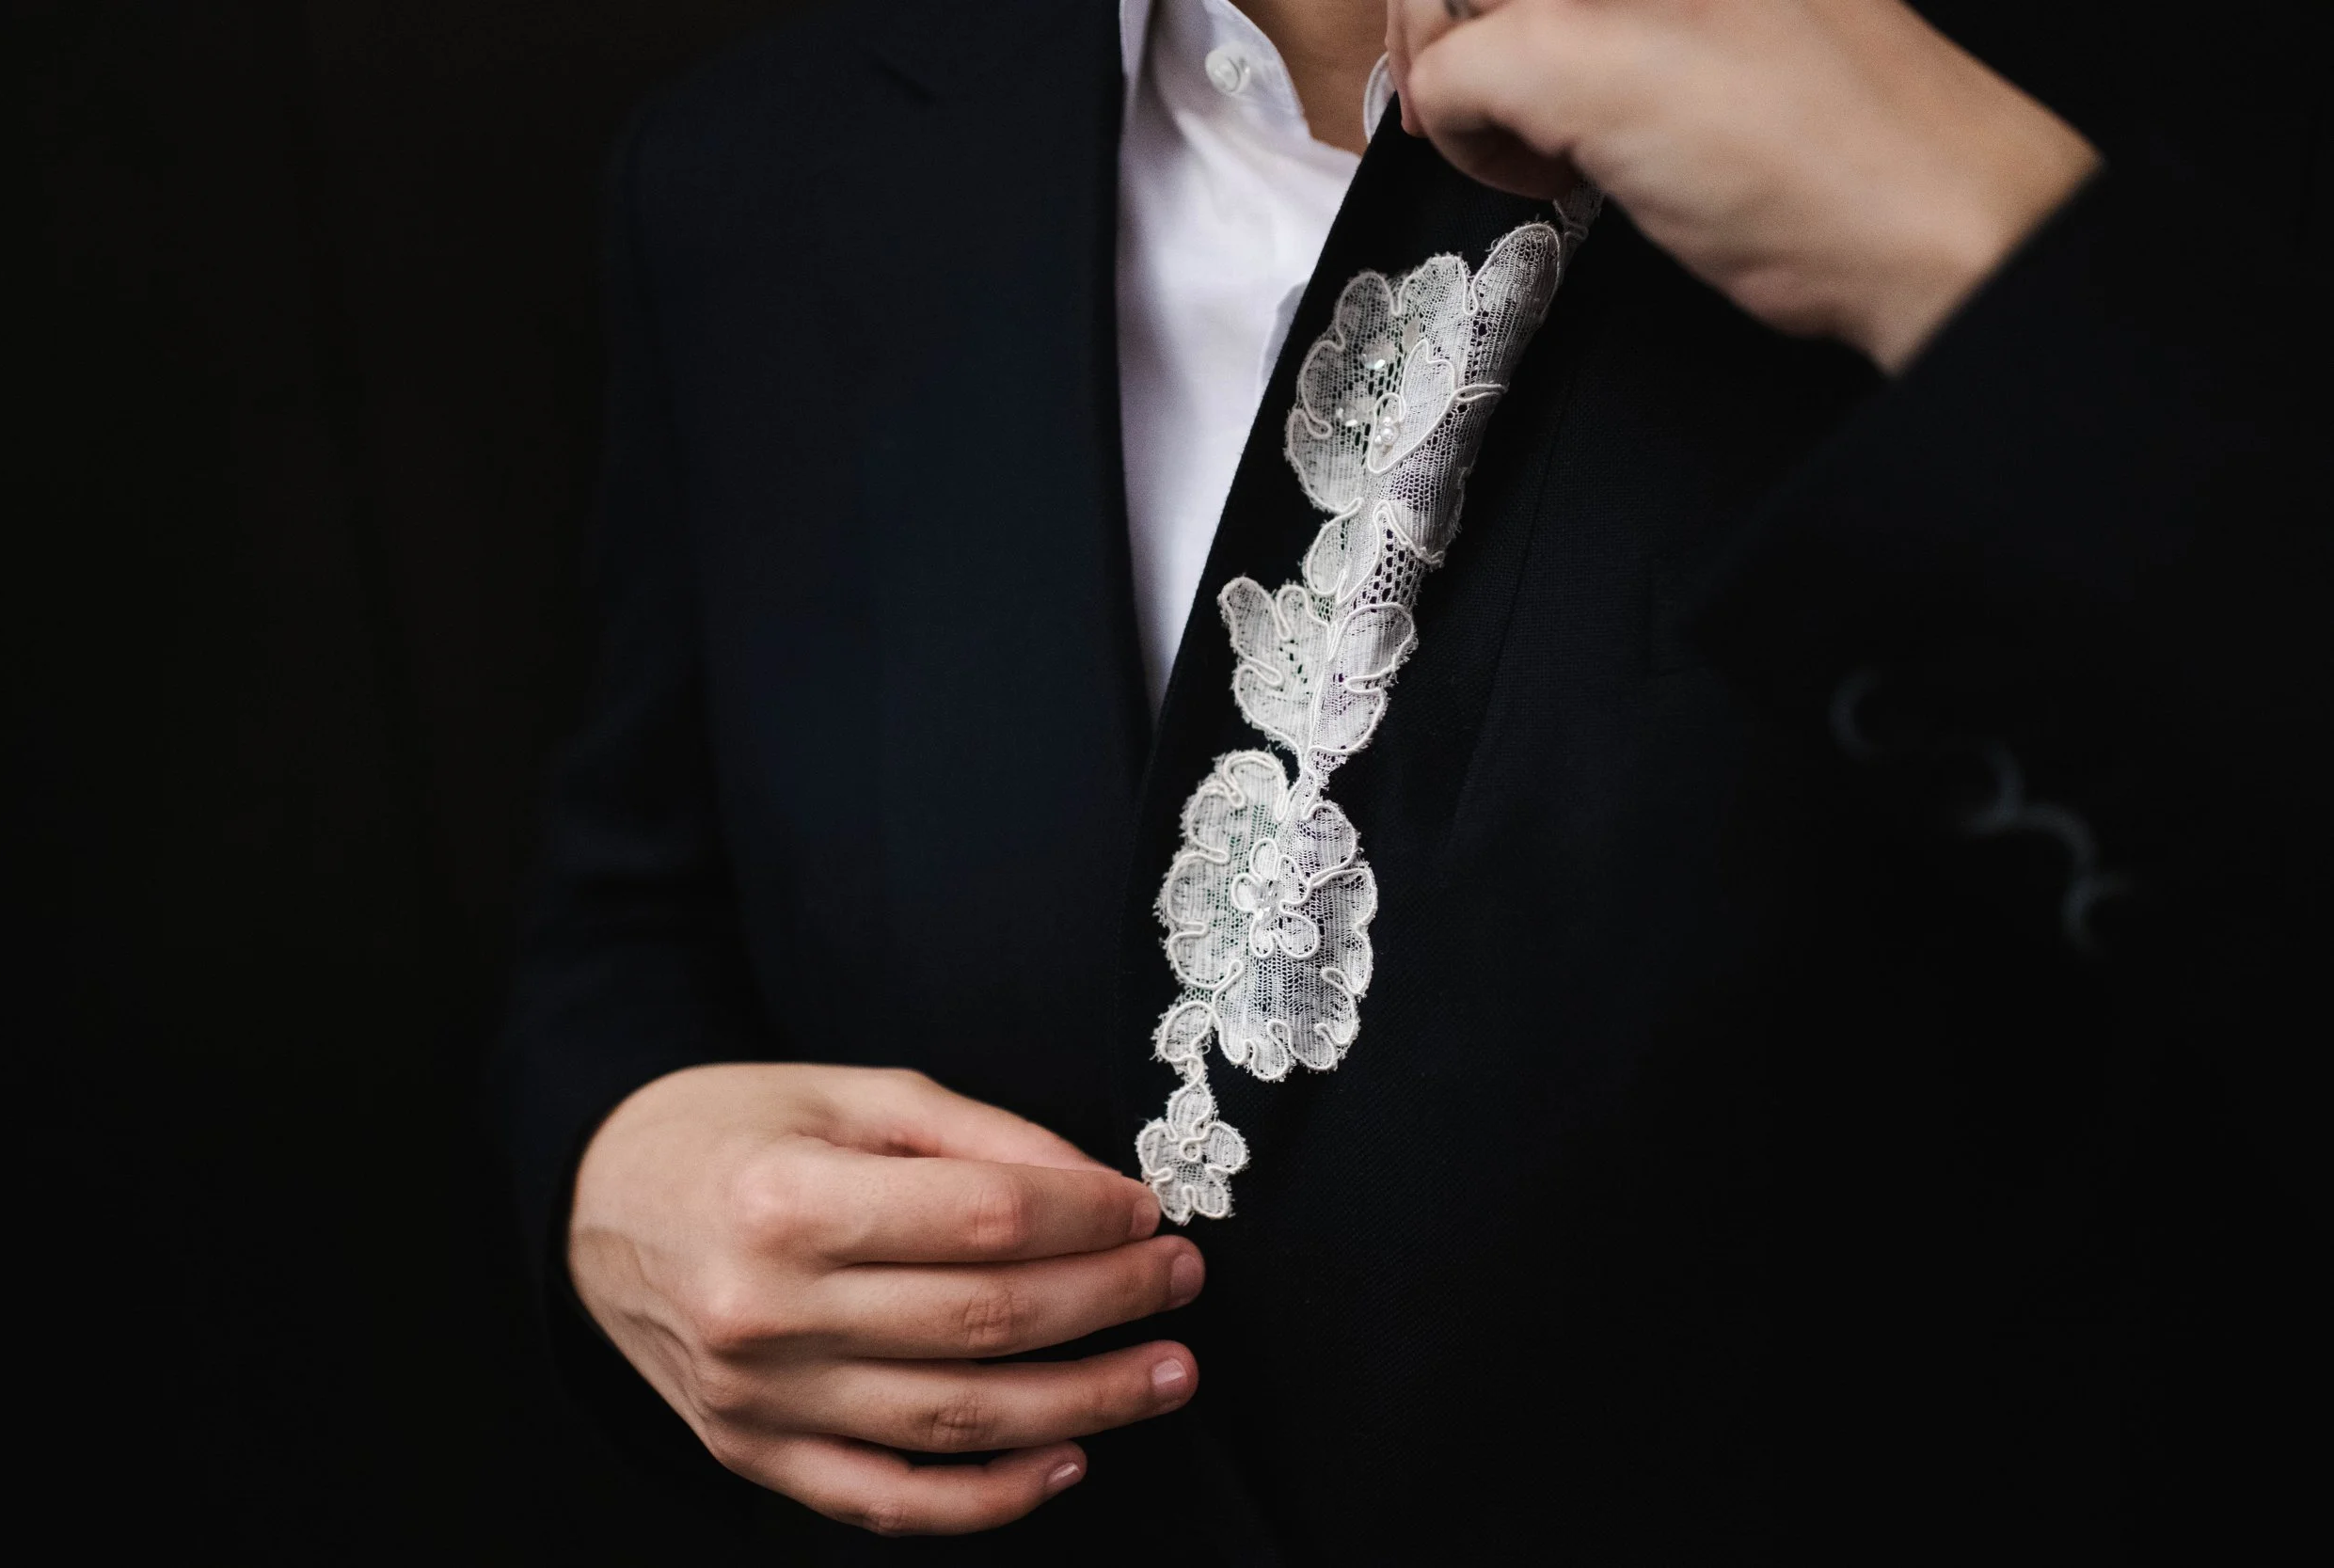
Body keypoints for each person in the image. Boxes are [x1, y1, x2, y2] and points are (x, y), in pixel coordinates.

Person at [497, 0, 2328, 1558]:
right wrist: (616, 1173)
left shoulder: (2148, 80)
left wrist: (1976, 246)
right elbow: (632, 905)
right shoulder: (753, 177)